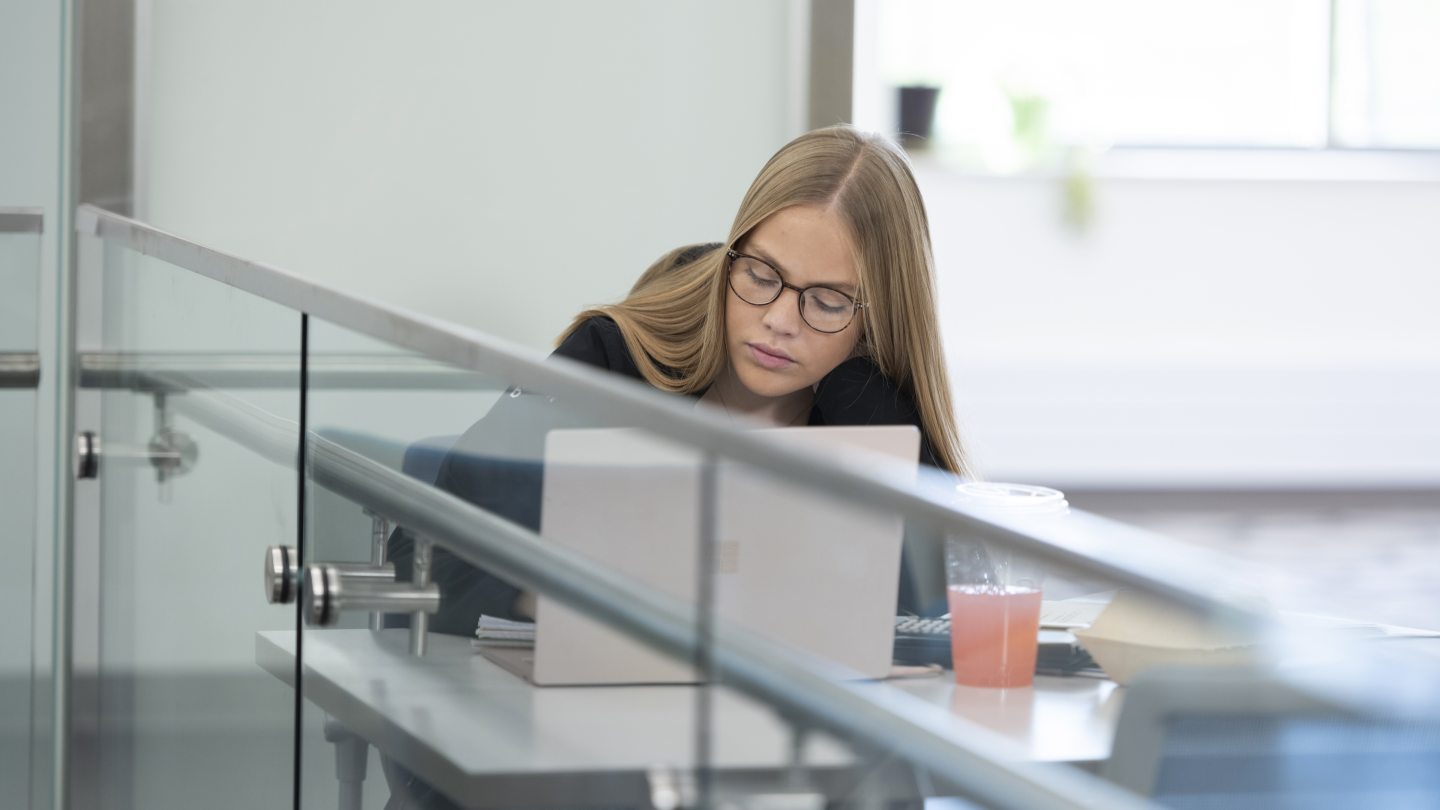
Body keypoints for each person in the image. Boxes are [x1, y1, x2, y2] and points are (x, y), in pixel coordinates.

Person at [388, 124, 971, 632]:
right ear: (731, 254)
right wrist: (573, 609)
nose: (778, 320)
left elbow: (937, 612)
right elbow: (419, 563)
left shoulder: (867, 403)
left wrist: (863, 405)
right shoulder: (617, 361)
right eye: (763, 273)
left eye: (827, 301)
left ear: (879, 318)